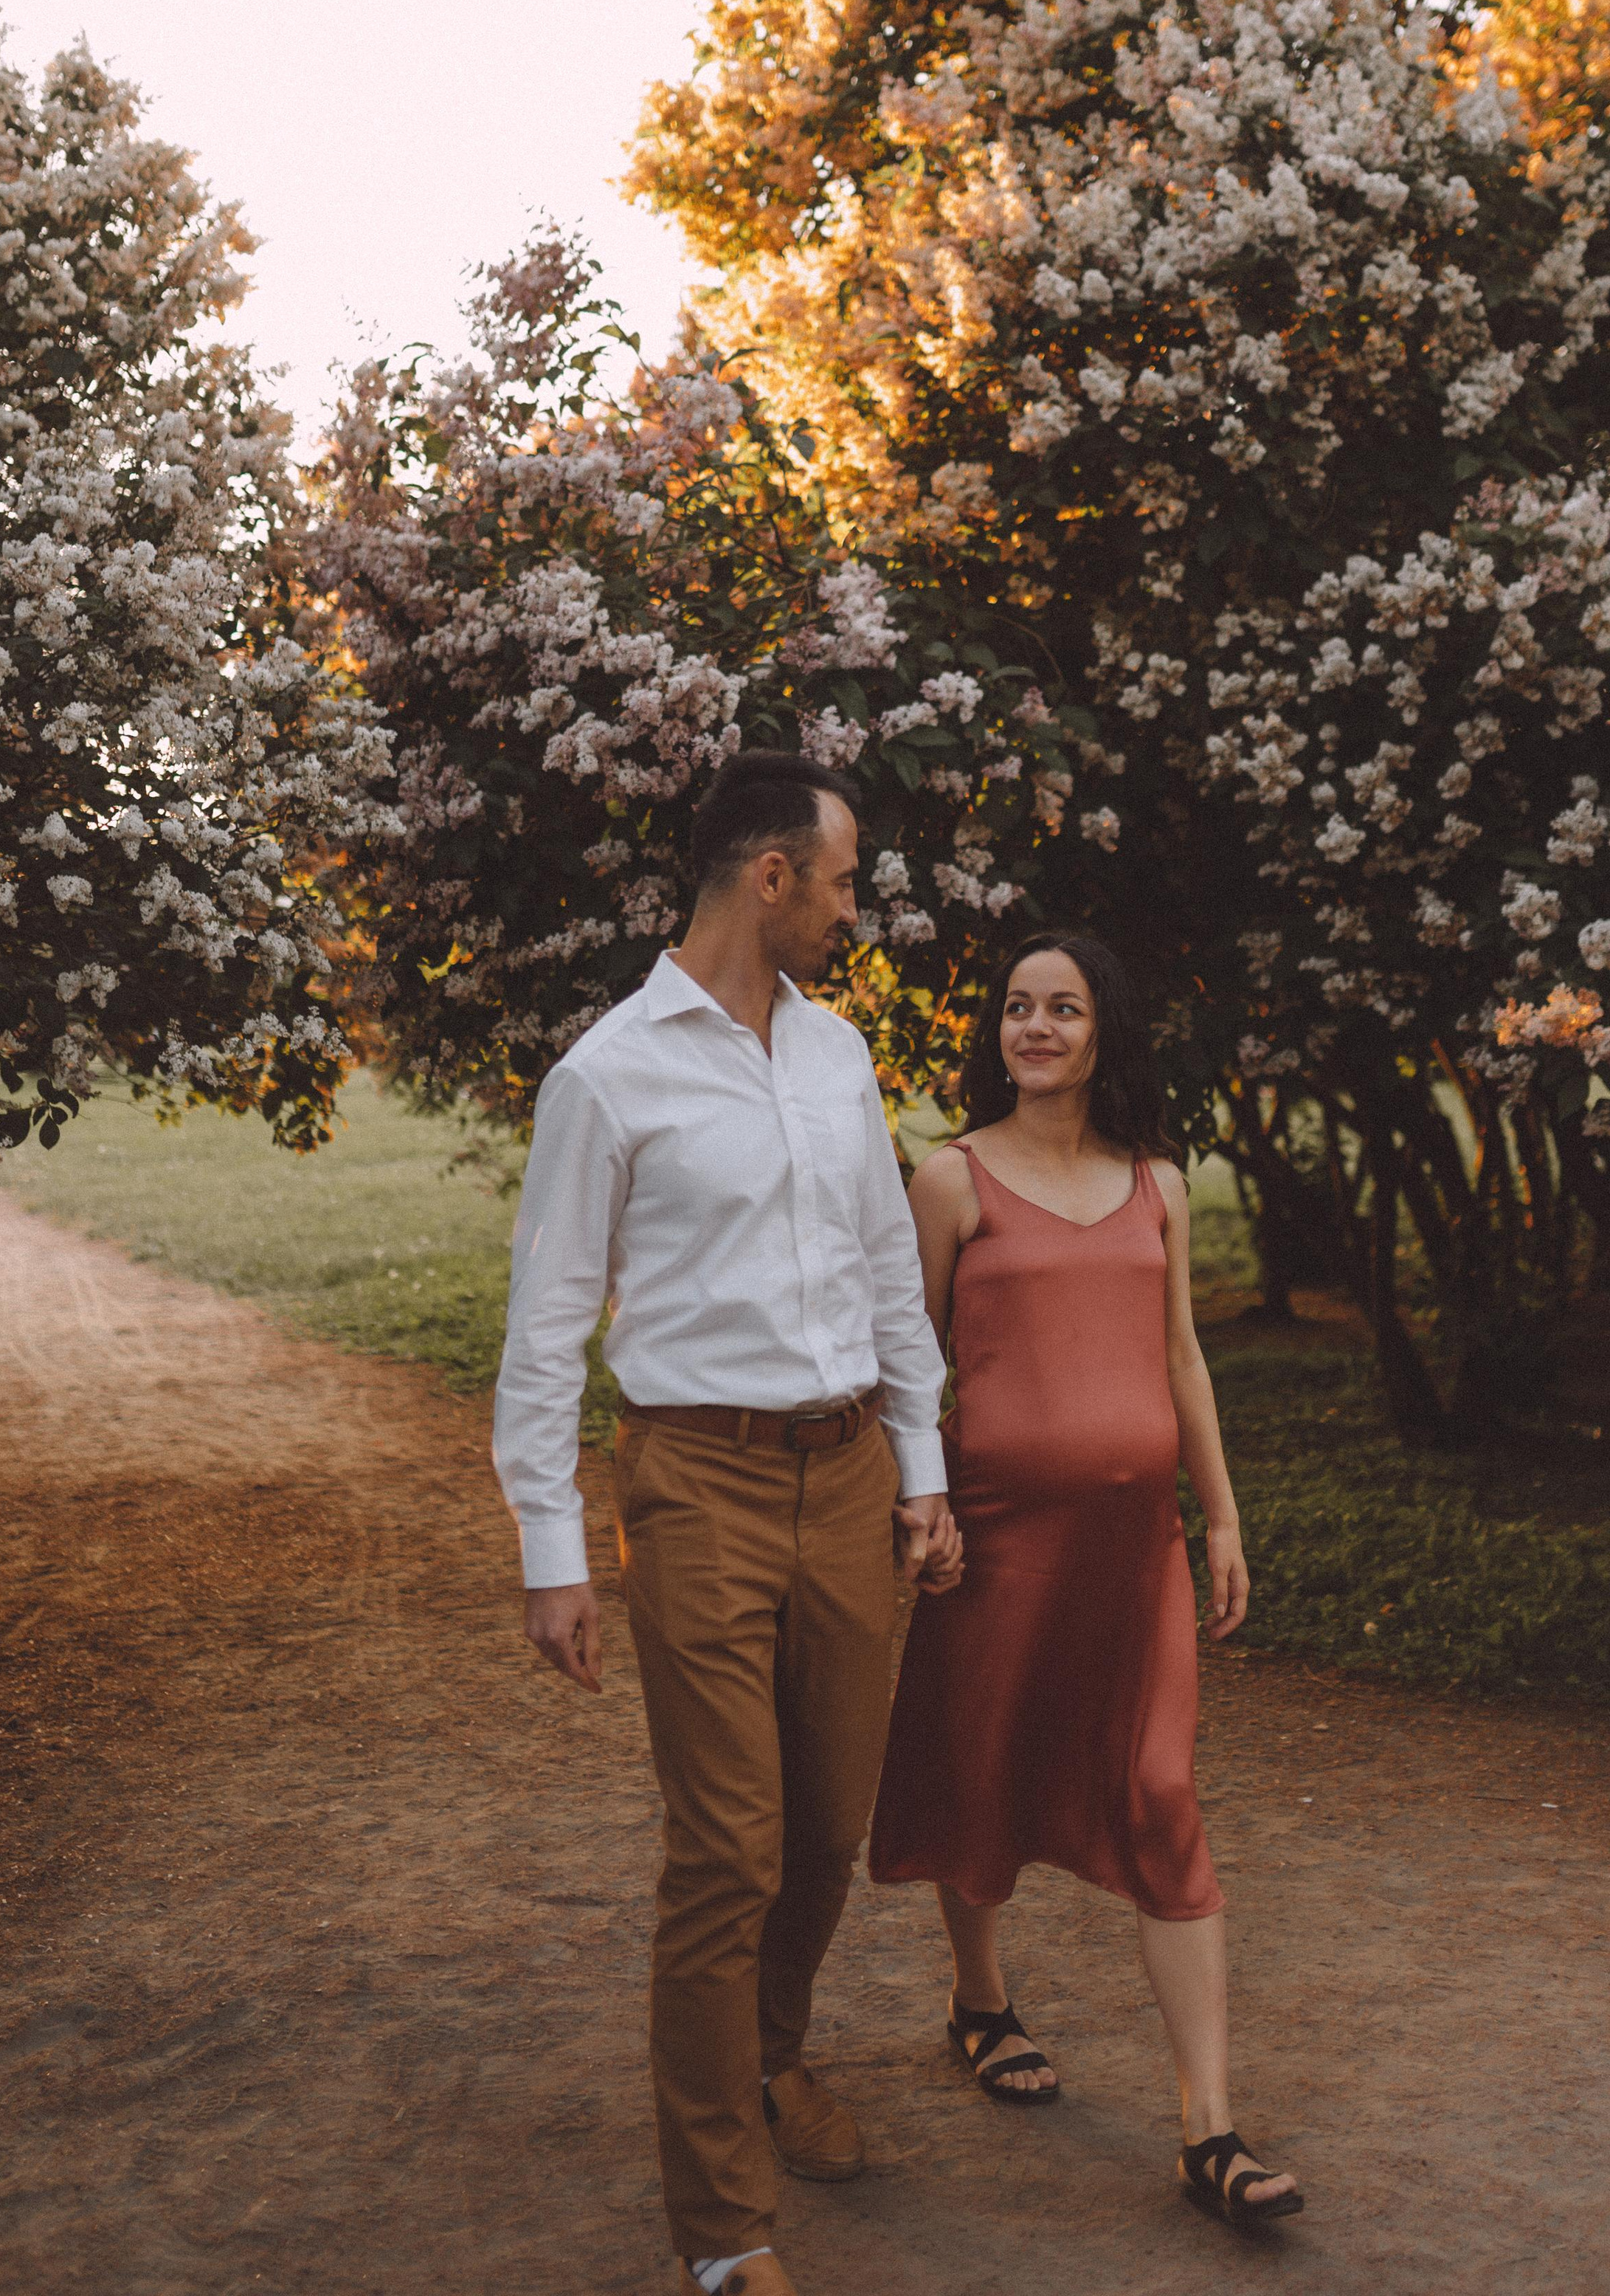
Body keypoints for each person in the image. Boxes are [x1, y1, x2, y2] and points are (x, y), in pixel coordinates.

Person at [494, 752, 963, 2296]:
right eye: (839, 881)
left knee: (827, 1825)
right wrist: (553, 1557)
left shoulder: (836, 1058)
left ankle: (764, 2062)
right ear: (769, 878)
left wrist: (919, 1464)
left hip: (843, 1479)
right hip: (692, 1484)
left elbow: (889, 1268)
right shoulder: (606, 1077)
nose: (850, 909)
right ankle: (721, 2226)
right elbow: (547, 1328)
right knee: (726, 1853)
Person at [867, 931, 1305, 2231]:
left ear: (1104, 1028)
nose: (1037, 1027)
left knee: (1161, 1790)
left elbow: (1180, 1364)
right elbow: (906, 1358)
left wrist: (1219, 1516)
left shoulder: (1156, 1183)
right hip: (996, 1541)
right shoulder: (949, 1179)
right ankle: (981, 1998)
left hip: (1136, 1556)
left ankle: (1207, 2129)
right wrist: (919, 1498)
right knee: (983, 1765)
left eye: (1063, 1008)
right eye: (1018, 1008)